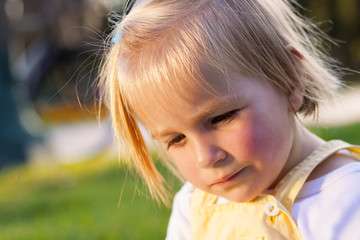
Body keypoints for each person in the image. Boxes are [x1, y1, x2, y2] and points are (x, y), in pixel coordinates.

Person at [98, 0, 360, 239]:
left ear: (290, 79)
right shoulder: (193, 207)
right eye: (177, 139)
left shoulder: (348, 195)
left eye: (221, 118)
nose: (205, 157)